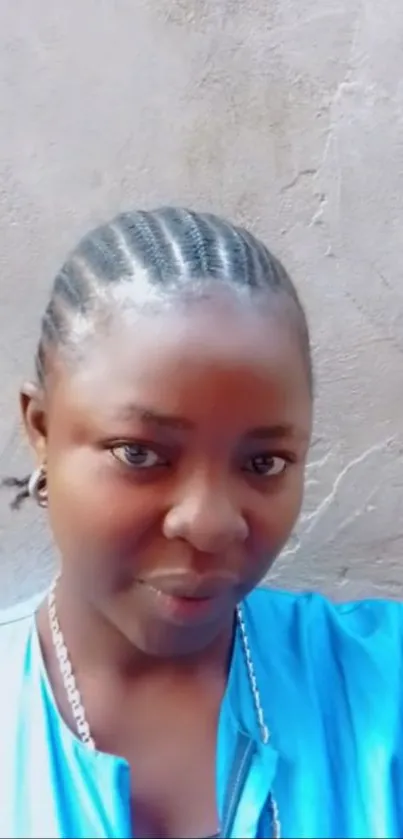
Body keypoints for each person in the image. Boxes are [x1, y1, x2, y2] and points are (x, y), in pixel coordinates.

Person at [0, 207, 401, 839]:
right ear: (41, 431)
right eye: (140, 454)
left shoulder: (380, 691)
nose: (211, 524)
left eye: (264, 462)